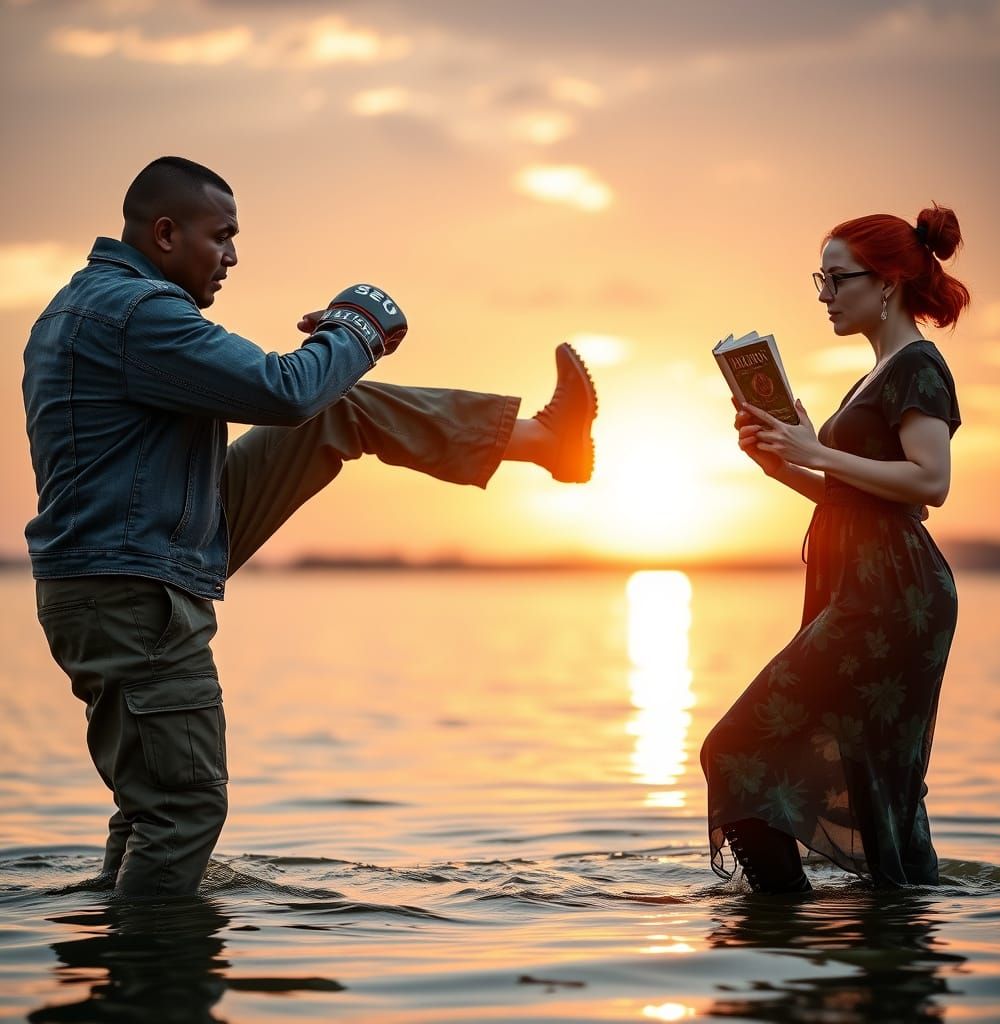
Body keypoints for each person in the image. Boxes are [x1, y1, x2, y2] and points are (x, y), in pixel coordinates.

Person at [23, 156, 598, 899]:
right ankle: (146, 984)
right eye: (220, 236)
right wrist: (358, 330)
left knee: (337, 404)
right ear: (164, 233)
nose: (232, 256)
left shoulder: (91, 305)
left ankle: (547, 442)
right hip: (134, 584)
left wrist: (336, 352)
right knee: (183, 808)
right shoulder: (137, 314)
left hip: (145, 547)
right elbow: (279, 389)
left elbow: (305, 396)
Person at [700, 204, 969, 892]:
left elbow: (929, 483)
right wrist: (783, 465)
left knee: (733, 750)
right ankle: (897, 920)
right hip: (862, 584)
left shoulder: (918, 367)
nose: (823, 295)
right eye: (817, 280)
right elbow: (861, 499)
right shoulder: (877, 374)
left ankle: (782, 926)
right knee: (870, 767)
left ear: (885, 282)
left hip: (890, 595)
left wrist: (816, 448)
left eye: (835, 279)